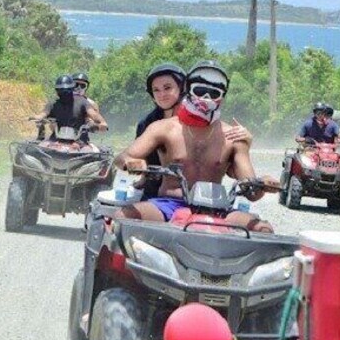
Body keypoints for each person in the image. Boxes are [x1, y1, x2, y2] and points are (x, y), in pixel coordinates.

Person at [114, 60, 274, 232]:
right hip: (169, 205)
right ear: (188, 90)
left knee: (263, 229)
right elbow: (121, 157)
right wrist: (132, 163)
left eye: (213, 93)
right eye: (199, 91)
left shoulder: (234, 137)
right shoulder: (162, 127)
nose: (205, 98)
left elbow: (252, 193)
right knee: (122, 217)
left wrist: (262, 184)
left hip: (218, 210)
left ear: (222, 97)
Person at [135, 62, 253, 199]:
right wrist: (140, 174)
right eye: (156, 90)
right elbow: (139, 161)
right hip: (158, 193)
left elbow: (225, 164)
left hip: (204, 199)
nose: (162, 94)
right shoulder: (147, 124)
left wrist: (246, 142)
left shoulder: (206, 118)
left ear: (183, 87)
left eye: (167, 88)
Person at [34, 74, 108, 142]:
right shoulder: (53, 103)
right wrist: (39, 118)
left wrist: (99, 124)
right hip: (57, 138)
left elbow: (94, 115)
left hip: (80, 139)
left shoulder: (85, 102)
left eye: (82, 85)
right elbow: (44, 114)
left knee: (92, 151)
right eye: (61, 90)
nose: (64, 93)